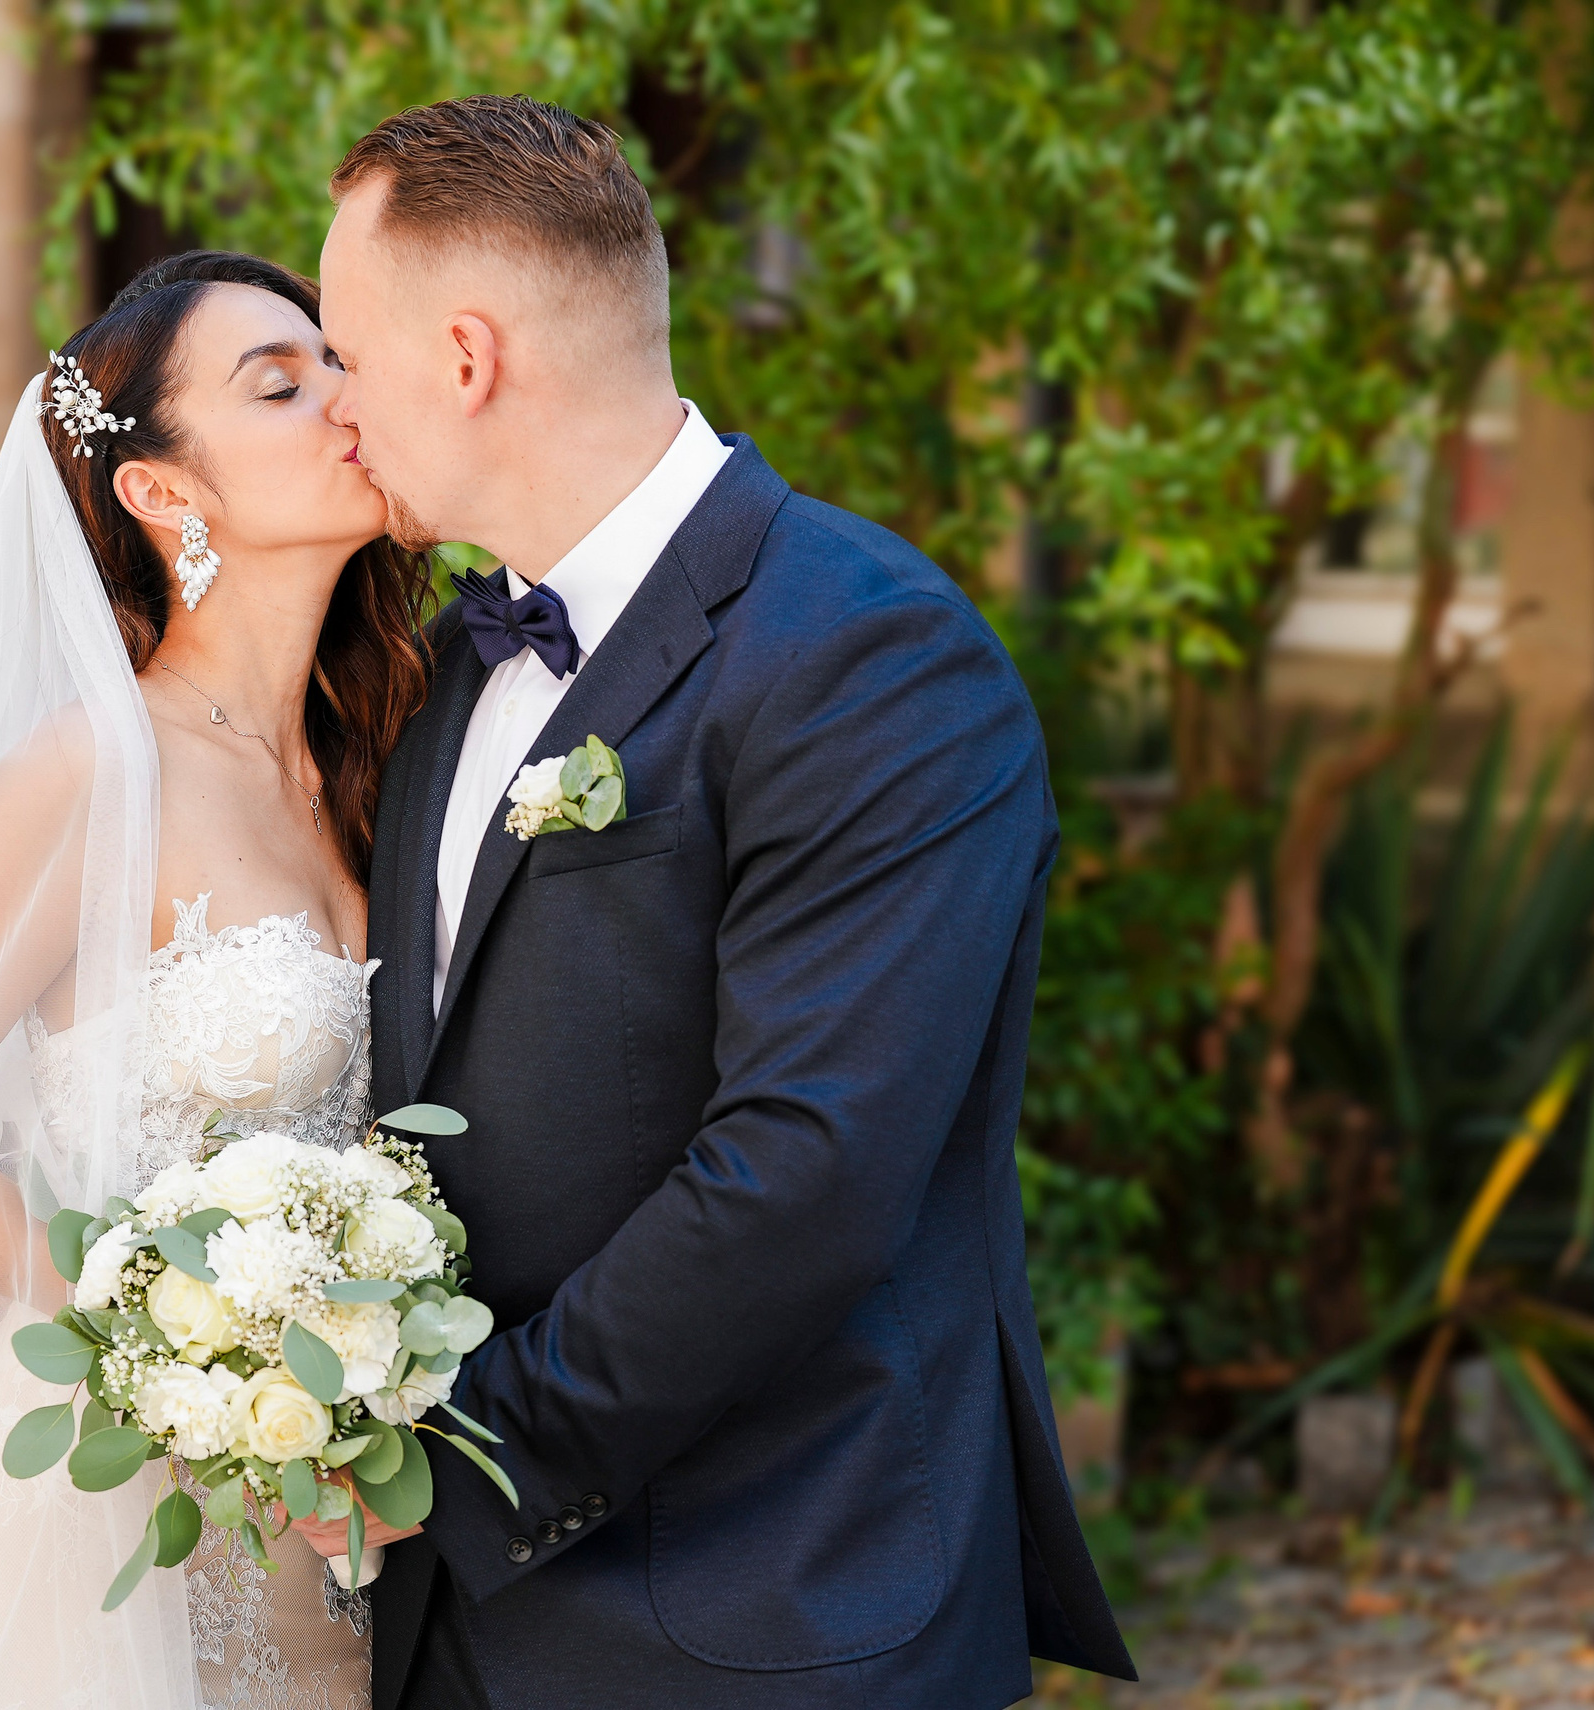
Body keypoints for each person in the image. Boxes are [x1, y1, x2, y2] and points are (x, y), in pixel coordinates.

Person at [294, 95, 1140, 1708]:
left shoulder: (868, 654)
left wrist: (458, 1458)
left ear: (464, 357)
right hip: (450, 1634)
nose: (337, 406)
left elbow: (801, 1173)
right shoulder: (449, 669)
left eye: (345, 350)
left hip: (763, 1608)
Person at [0, 250, 433, 1708]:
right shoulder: (87, 771)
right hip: (118, 1492)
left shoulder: (396, 753)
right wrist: (168, 1336)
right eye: (281, 381)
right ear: (163, 490)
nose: (345, 396)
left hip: (355, 1488)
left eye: (338, 360)